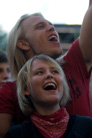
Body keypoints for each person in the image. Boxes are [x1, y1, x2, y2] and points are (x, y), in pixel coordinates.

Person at [0, 0, 92, 137]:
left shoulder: (73, 64)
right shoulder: (9, 91)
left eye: (51, 25)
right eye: (40, 26)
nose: (51, 28)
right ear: (23, 43)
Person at [4, 54, 92, 138]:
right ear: (26, 89)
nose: (49, 75)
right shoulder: (15, 135)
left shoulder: (89, 127)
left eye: (55, 71)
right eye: (39, 72)